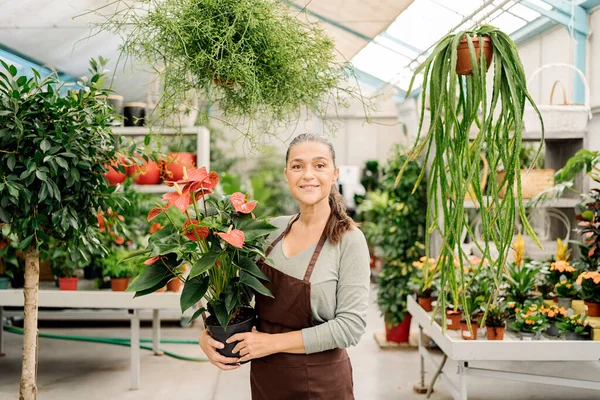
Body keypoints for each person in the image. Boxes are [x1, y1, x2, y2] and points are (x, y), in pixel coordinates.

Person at [199, 133, 370, 399]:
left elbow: (350, 327)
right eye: (297, 166)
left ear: (334, 174)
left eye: (320, 165)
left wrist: (270, 343)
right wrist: (207, 335)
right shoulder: (270, 230)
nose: (308, 175)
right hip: (267, 379)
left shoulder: (349, 241)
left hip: (322, 383)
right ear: (286, 174)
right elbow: (236, 300)